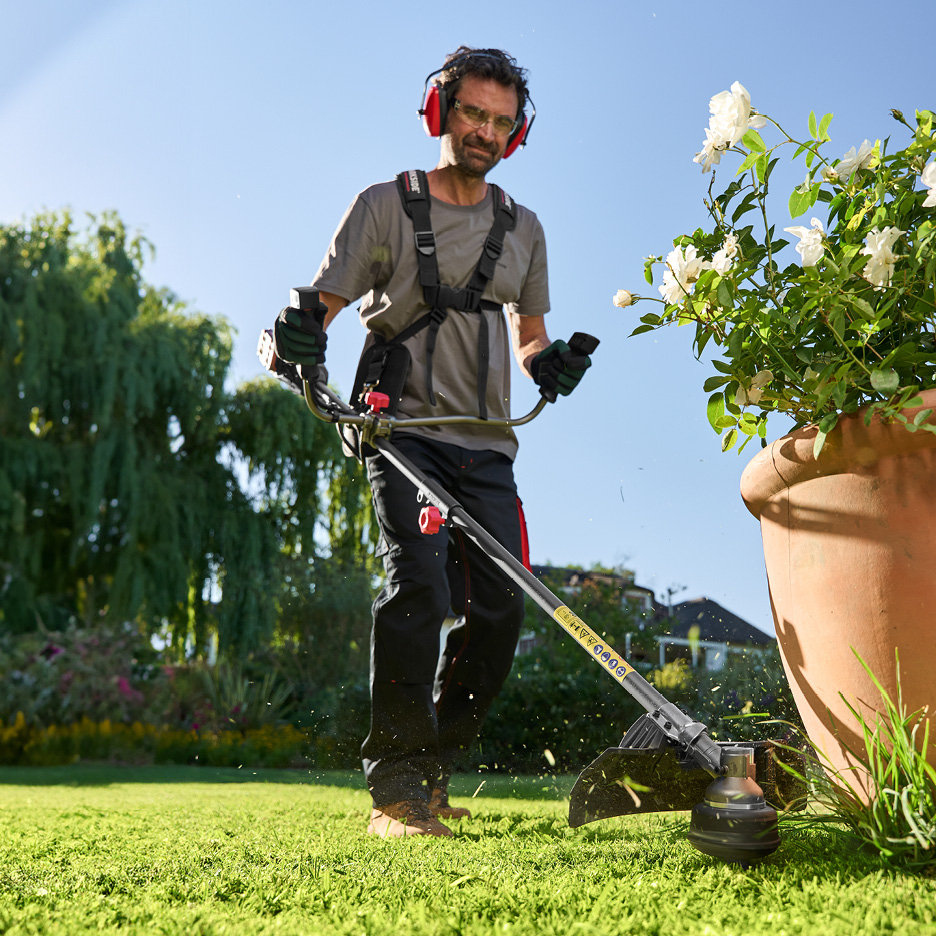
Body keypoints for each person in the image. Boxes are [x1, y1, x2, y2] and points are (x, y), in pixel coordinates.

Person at [273, 46, 592, 838]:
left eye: (500, 121)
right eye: (473, 113)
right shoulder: (383, 205)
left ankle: (434, 765)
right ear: (439, 112)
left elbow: (529, 336)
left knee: (500, 614)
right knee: (420, 589)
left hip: (489, 448)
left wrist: (548, 365)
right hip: (403, 431)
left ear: (516, 134)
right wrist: (290, 344)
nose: (484, 130)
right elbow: (316, 311)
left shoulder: (526, 229)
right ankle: (396, 792)